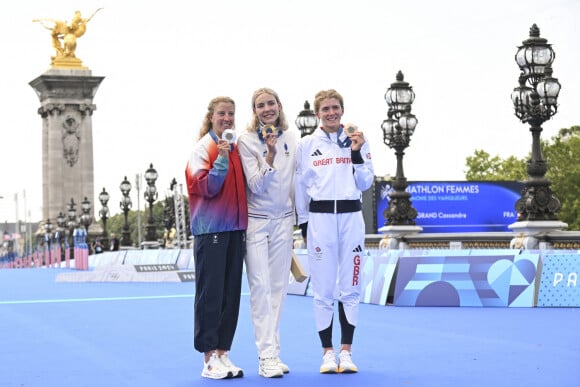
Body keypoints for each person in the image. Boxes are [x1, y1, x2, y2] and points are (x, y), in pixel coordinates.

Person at [294, 89, 375, 374]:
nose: (331, 113)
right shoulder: (306, 145)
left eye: (335, 108)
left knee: (350, 286)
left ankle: (347, 351)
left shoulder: (358, 139)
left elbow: (365, 182)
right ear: (318, 114)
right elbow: (300, 187)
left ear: (342, 110)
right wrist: (303, 223)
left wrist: (356, 153)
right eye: (325, 109)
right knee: (323, 289)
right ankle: (327, 353)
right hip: (320, 220)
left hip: (352, 218)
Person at [185, 96, 248, 380]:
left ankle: (223, 352)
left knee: (230, 294)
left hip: (235, 229)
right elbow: (204, 187)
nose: (227, 118)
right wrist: (221, 160)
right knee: (210, 295)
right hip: (211, 230)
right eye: (222, 113)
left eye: (231, 114)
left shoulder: (234, 147)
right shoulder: (204, 148)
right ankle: (209, 358)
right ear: (211, 117)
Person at [237, 88, 298, 378]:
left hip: (284, 221)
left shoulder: (293, 139)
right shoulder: (246, 142)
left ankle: (272, 351)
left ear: (279, 106)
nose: (266, 109)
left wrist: (303, 222)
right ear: (255, 112)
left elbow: (296, 184)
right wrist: (270, 155)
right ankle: (266, 356)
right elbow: (256, 186)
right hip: (257, 222)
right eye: (260, 105)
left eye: (270, 103)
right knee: (260, 288)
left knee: (278, 289)